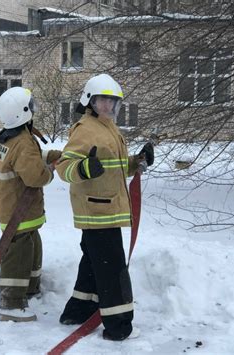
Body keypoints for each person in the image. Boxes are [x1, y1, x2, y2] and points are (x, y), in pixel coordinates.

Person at [55, 74, 154, 340]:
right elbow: (64, 168)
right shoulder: (86, 129)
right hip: (98, 211)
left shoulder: (109, 127)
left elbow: (114, 167)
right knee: (112, 269)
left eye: (112, 101)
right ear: (90, 101)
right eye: (102, 101)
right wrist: (84, 168)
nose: (108, 106)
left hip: (106, 208)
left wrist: (138, 161)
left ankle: (79, 310)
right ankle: (119, 325)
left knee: (93, 262)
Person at [0, 86, 61, 322]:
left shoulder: (13, 137)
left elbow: (28, 157)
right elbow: (35, 176)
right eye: (31, 107)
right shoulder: (22, 141)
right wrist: (50, 170)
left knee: (31, 246)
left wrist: (49, 155)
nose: (34, 110)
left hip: (20, 210)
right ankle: (11, 304)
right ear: (22, 112)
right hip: (17, 212)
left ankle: (29, 289)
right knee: (18, 254)